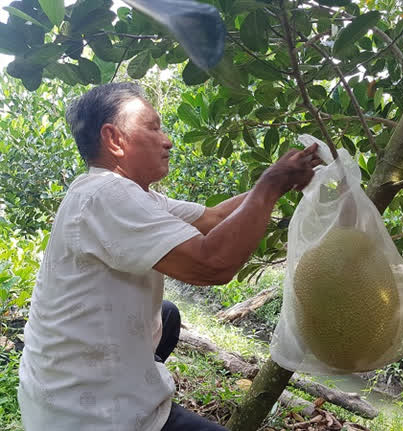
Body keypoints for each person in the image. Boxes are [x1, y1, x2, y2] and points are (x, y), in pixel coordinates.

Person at [17, 82, 321, 431]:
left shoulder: (126, 193)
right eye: (153, 127)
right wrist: (271, 183)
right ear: (114, 139)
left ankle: (139, 375)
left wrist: (279, 182)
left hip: (54, 389)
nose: (167, 140)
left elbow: (215, 220)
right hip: (90, 415)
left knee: (167, 315)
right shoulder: (106, 193)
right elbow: (211, 263)